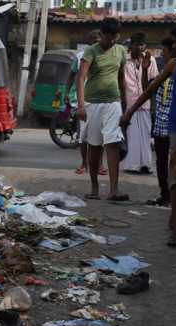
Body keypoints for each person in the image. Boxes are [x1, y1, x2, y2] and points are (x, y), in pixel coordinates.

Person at [121, 23, 176, 246]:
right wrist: (129, 112)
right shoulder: (173, 65)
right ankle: (175, 224)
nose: (175, 47)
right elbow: (149, 90)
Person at [76, 17, 129, 201]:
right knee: (94, 146)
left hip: (113, 103)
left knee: (112, 144)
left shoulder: (121, 51)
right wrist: (81, 105)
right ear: (101, 34)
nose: (112, 41)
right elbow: (80, 78)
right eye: (108, 38)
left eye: (115, 38)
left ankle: (114, 190)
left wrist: (125, 103)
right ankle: (94, 189)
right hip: (92, 104)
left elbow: (122, 78)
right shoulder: (91, 51)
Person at [141, 36, 176, 207]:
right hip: (161, 125)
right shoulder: (164, 74)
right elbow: (148, 90)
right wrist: (144, 70)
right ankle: (165, 196)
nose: (162, 54)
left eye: (165, 51)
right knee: (161, 162)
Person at [64, 30, 106, 176]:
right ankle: (84, 164)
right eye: (94, 41)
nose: (97, 44)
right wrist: (67, 93)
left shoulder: (105, 55)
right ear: (89, 43)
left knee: (100, 135)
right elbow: (72, 76)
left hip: (101, 100)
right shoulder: (80, 56)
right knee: (83, 135)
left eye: (99, 41)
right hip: (83, 100)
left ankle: (100, 165)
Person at [121, 32, 159, 174]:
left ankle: (144, 165)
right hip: (129, 102)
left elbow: (153, 83)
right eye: (136, 44)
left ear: (145, 46)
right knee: (132, 136)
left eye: (142, 44)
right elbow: (120, 82)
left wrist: (153, 105)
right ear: (131, 45)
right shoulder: (124, 60)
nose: (139, 47)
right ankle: (132, 165)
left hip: (145, 104)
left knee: (144, 135)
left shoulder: (151, 61)